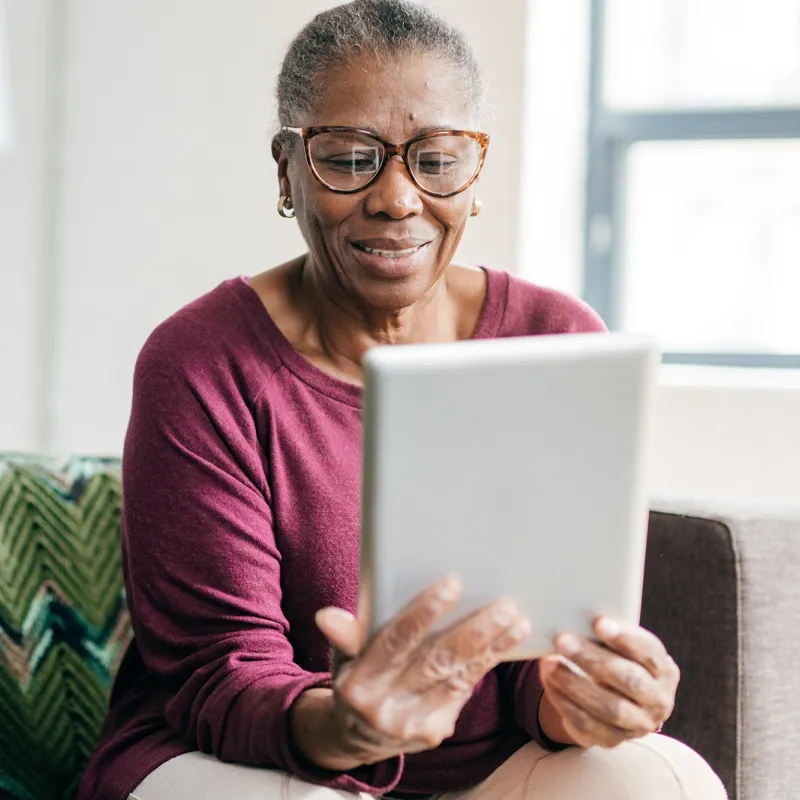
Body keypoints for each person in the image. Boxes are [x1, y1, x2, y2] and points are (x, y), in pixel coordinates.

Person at [78, 2, 727, 799]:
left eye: (437, 158)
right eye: (349, 159)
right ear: (286, 169)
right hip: (248, 760)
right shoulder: (202, 362)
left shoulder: (555, 338)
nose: (396, 198)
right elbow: (220, 675)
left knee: (658, 779)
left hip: (487, 771)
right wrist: (345, 726)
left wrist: (579, 700)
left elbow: (549, 633)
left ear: (474, 170)